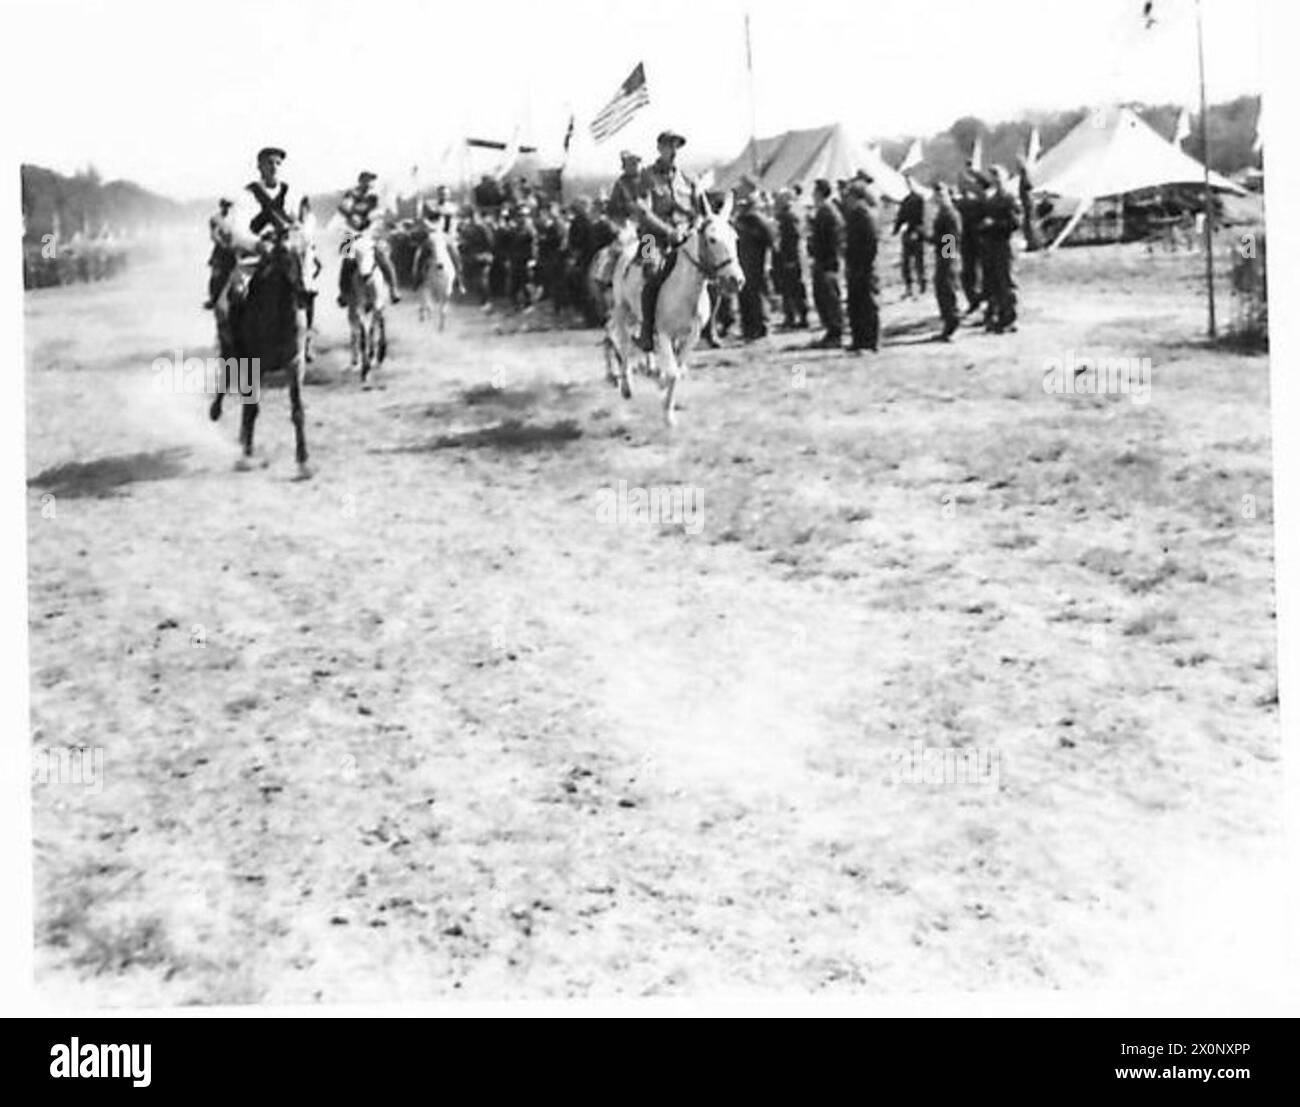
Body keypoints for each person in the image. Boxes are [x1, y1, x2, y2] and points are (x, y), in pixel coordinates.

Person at [634, 129, 695, 351]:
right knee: (651, 271)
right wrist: (668, 231)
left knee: (708, 266)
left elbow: (697, 210)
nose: (674, 151)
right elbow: (644, 212)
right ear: (660, 148)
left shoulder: (687, 179)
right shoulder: (647, 176)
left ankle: (706, 325)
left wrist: (692, 227)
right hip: (651, 236)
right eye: (670, 146)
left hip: (683, 234)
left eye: (677, 146)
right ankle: (647, 331)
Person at [337, 170, 401, 305]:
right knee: (346, 260)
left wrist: (375, 216)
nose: (369, 183)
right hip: (350, 232)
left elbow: (384, 210)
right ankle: (344, 293)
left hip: (371, 232)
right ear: (360, 181)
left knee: (382, 256)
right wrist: (350, 215)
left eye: (372, 181)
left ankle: (393, 289)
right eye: (366, 180)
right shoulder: (352, 194)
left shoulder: (376, 196)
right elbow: (343, 207)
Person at [980, 166, 1022, 333]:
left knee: (1005, 281)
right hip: (985, 245)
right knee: (992, 282)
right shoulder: (987, 199)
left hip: (1002, 244)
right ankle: (993, 313)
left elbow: (1015, 222)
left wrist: (949, 255)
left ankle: (1007, 317)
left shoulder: (1008, 198)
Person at [842, 181, 880, 353]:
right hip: (857, 266)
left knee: (866, 305)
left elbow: (952, 235)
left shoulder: (948, 213)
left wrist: (949, 258)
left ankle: (870, 342)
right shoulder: (856, 214)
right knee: (856, 304)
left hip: (863, 267)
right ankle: (860, 340)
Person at [808, 178, 844, 348]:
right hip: (822, 260)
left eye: (815, 192)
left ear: (820, 193)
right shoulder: (823, 211)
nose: (812, 195)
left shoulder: (828, 212)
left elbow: (832, 240)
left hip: (827, 262)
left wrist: (827, 260)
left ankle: (835, 333)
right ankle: (831, 331)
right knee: (822, 297)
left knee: (830, 298)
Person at [735, 194, 774, 341]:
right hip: (743, 264)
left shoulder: (758, 220)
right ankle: (749, 329)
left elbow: (770, 241)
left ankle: (760, 328)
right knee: (745, 297)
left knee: (757, 297)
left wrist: (766, 263)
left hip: (756, 264)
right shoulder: (740, 220)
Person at [929, 183, 963, 341]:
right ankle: (948, 324)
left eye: (941, 195)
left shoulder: (949, 214)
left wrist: (946, 260)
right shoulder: (943, 213)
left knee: (947, 290)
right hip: (944, 256)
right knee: (942, 291)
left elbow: (950, 240)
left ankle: (952, 324)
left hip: (948, 257)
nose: (938, 198)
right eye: (937, 195)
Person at [773, 189, 808, 329]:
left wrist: (791, 259)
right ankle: (790, 317)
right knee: (787, 290)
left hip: (790, 260)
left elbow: (792, 239)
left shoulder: (788, 217)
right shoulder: (784, 217)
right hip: (785, 259)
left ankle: (800, 317)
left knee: (795, 289)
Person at [956, 170, 986, 314]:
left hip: (979, 243)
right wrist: (947, 253)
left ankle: (984, 303)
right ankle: (974, 301)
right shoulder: (957, 204)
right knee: (967, 275)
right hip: (965, 245)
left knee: (981, 274)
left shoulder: (981, 203)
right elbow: (949, 231)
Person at [893, 175, 927, 297]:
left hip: (944, 237)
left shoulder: (948, 214)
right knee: (907, 262)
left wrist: (920, 233)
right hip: (914, 234)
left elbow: (950, 234)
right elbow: (901, 217)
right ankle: (911, 286)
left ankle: (924, 284)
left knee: (946, 262)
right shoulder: (907, 200)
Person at [204, 197, 237, 309]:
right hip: (220, 251)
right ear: (221, 206)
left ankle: (232, 297)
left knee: (232, 274)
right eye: (224, 206)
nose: (226, 208)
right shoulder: (215, 219)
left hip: (231, 250)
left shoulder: (234, 219)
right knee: (216, 276)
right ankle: (213, 299)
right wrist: (222, 242)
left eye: (228, 206)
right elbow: (213, 235)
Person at [458, 207, 494, 308]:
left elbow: (490, 241)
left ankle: (486, 301)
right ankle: (483, 300)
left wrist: (487, 253)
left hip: (482, 256)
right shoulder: (468, 228)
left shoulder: (481, 227)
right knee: (477, 280)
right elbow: (463, 243)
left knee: (482, 280)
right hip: (473, 257)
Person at [606, 151, 644, 226]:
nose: (634, 166)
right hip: (628, 222)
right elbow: (614, 205)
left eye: (635, 164)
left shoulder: (645, 179)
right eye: (631, 164)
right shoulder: (620, 183)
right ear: (625, 167)